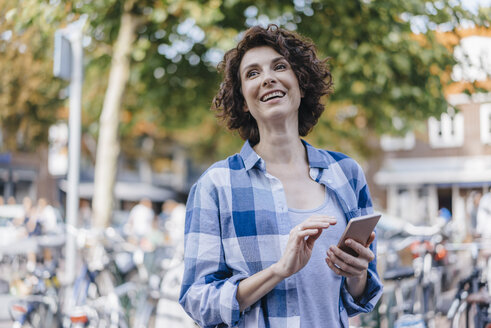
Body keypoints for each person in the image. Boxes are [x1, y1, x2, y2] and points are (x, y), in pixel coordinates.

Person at [179, 25, 383, 328]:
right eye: (252, 74)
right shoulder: (217, 185)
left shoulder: (347, 173)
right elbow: (197, 301)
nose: (268, 78)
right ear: (244, 102)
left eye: (279, 66)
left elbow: (360, 298)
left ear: (301, 85)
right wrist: (279, 270)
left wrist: (357, 274)